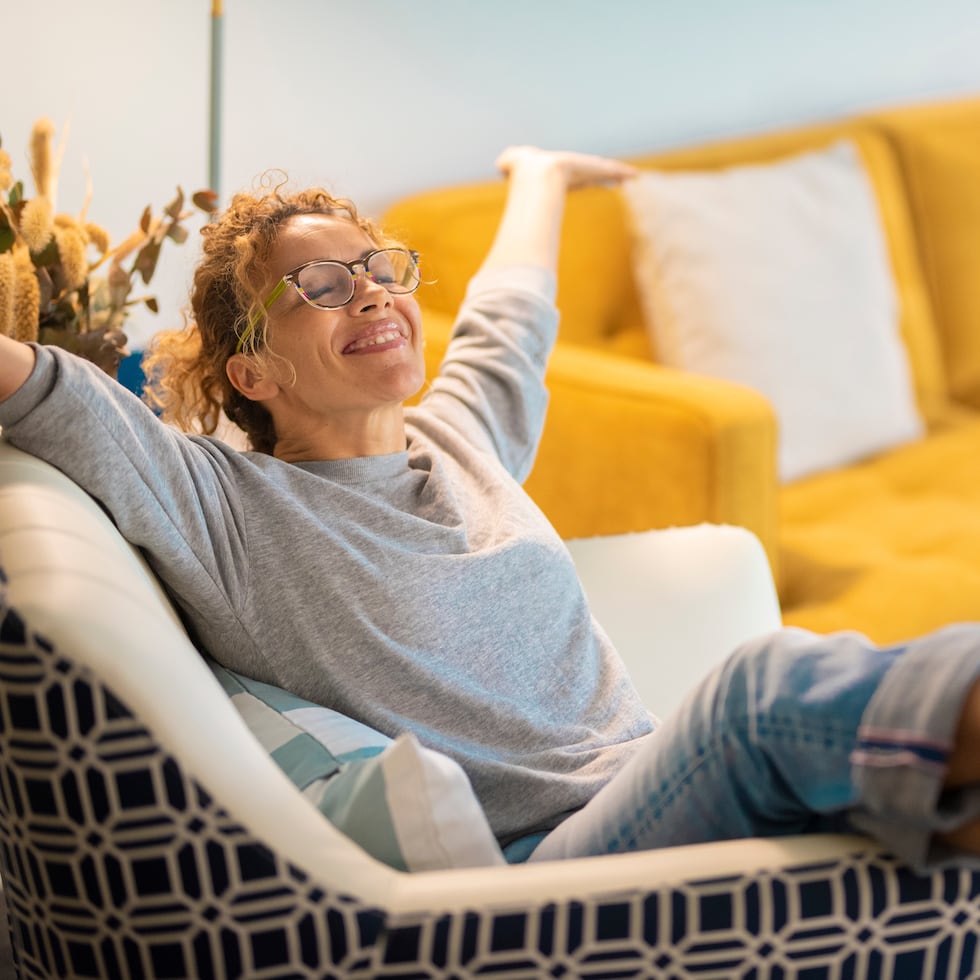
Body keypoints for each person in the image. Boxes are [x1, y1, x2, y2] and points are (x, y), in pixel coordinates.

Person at [1, 147, 980, 870]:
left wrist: (540, 177)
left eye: (383, 269)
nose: (374, 294)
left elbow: (509, 315)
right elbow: (47, 391)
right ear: (250, 370)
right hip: (549, 871)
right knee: (760, 688)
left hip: (661, 795)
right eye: (323, 286)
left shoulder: (461, 435)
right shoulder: (221, 504)